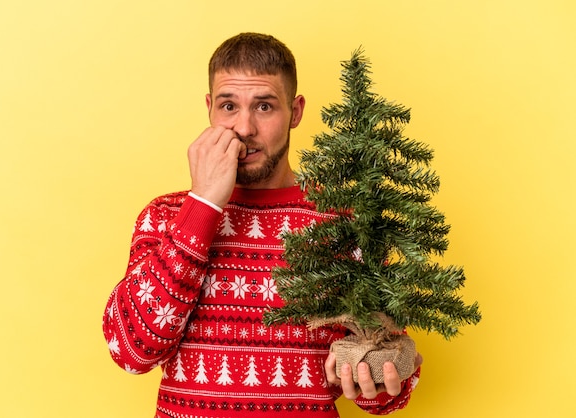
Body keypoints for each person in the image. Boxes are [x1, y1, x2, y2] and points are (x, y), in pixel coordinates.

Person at [102, 32, 421, 418]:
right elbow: (131, 351)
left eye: (265, 106)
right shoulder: (167, 215)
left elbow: (386, 390)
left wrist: (378, 382)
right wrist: (202, 205)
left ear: (296, 111)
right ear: (209, 108)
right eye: (228, 106)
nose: (244, 128)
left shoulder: (344, 223)